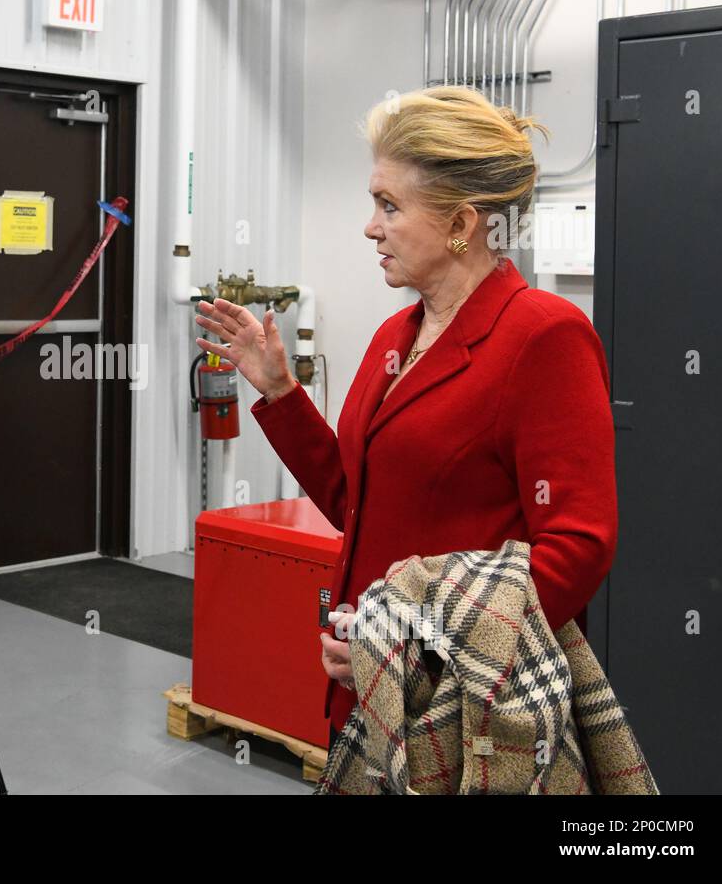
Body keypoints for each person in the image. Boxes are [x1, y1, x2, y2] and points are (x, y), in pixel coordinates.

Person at [193, 86, 617, 743]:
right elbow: (355, 499)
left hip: (468, 724)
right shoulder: (398, 334)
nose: (371, 225)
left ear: (461, 223)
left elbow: (578, 549)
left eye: (389, 205)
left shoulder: (543, 336)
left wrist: (414, 648)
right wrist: (280, 391)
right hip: (368, 705)